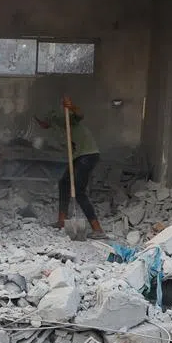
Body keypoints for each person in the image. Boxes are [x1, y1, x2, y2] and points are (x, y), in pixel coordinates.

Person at [35, 96, 106, 238]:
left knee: (79, 191)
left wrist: (71, 106)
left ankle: (98, 229)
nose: (41, 125)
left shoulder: (62, 119)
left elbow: (80, 115)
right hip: (78, 157)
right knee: (64, 183)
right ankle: (62, 220)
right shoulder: (55, 129)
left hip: (87, 154)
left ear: (47, 118)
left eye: (41, 121)